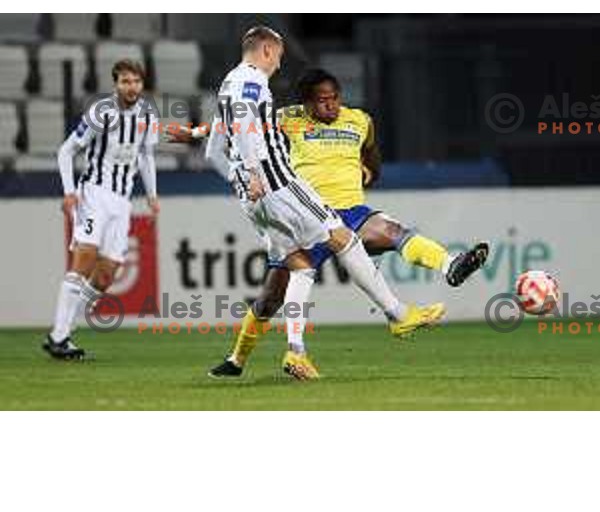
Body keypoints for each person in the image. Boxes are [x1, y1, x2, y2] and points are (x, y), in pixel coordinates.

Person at [169, 27, 446, 379]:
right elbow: (241, 125)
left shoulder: (229, 83)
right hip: (279, 184)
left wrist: (207, 148)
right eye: (280, 56)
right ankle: (398, 314)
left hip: (253, 200)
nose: (279, 64)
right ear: (267, 50)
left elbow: (215, 147)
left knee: (300, 266)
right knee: (343, 236)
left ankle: (295, 353)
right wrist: (256, 173)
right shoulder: (253, 80)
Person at [43, 59, 159, 360]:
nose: (130, 87)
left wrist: (152, 194)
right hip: (94, 193)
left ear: (142, 84)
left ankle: (64, 330)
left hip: (122, 201)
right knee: (83, 262)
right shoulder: (101, 112)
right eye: (124, 81)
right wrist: (69, 193)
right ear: (116, 84)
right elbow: (66, 150)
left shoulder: (147, 114)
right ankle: (59, 335)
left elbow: (146, 156)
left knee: (107, 275)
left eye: (135, 81)